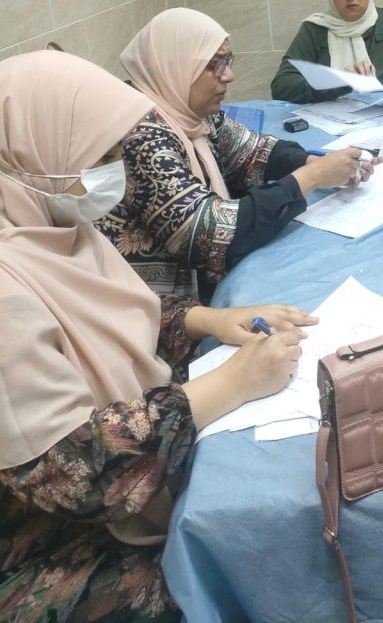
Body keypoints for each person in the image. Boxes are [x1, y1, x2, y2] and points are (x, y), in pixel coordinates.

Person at [0, 50, 315, 622]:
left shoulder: (55, 228)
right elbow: (74, 475)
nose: (116, 170)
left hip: (103, 491)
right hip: (43, 541)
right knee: (239, 560)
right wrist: (228, 386)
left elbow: (112, 319)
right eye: (99, 156)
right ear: (30, 155)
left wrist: (204, 320)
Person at [95, 8, 371, 302]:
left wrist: (313, 162)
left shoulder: (189, 112)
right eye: (214, 65)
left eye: (227, 61)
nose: (229, 75)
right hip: (165, 309)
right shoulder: (140, 136)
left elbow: (251, 151)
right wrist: (312, 177)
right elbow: (209, 235)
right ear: (174, 68)